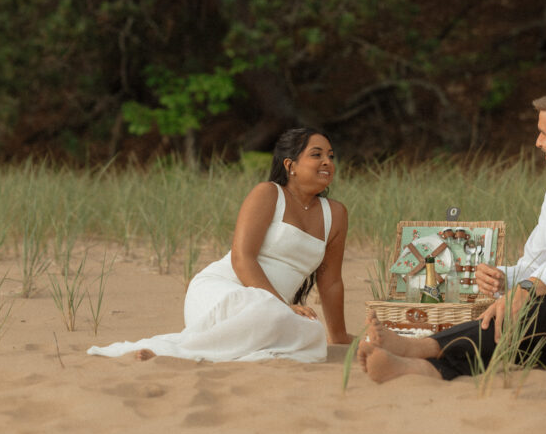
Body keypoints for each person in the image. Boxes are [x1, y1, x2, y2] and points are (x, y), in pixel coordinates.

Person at [358, 88, 546, 381]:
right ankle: (422, 370)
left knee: (531, 308)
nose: (537, 141)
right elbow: (536, 263)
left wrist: (530, 287)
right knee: (509, 317)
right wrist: (505, 278)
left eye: (544, 132)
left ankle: (421, 347)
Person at [88, 128, 353, 362]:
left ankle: (213, 348)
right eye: (316, 155)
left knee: (312, 331)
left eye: (331, 156)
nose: (327, 162)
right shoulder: (269, 194)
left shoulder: (336, 214)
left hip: (272, 308)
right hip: (224, 290)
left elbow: (330, 282)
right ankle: (171, 351)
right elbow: (242, 258)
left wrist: (338, 335)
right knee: (269, 313)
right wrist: (281, 305)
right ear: (290, 165)